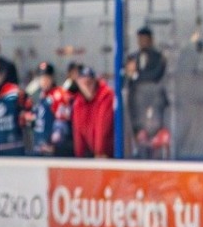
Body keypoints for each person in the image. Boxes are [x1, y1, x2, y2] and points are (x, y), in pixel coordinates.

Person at [125, 27, 170, 157]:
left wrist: (137, 76)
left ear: (150, 40)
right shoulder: (132, 58)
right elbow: (128, 78)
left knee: (154, 130)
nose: (142, 42)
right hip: (136, 103)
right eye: (140, 39)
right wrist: (132, 75)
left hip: (153, 101)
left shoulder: (159, 57)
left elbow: (155, 75)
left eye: (145, 39)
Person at [71, 66, 117, 158]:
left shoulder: (105, 96)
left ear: (95, 82)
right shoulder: (78, 103)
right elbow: (78, 132)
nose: (88, 87)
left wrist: (100, 152)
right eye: (84, 83)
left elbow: (103, 126)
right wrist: (80, 156)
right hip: (92, 153)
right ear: (79, 83)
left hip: (109, 154)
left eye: (90, 83)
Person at [30, 64, 74, 156]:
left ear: (52, 78)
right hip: (39, 145)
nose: (44, 81)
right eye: (41, 78)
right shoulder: (38, 95)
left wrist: (54, 143)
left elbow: (62, 124)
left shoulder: (59, 95)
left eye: (47, 78)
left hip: (53, 149)